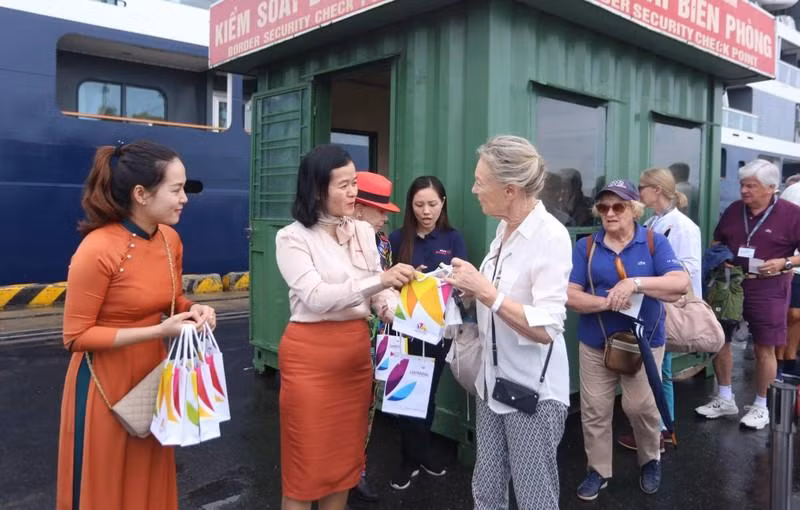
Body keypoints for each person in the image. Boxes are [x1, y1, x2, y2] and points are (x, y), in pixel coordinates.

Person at [56, 140, 216, 510]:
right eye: (176, 190)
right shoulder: (97, 249)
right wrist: (161, 331)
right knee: (106, 487)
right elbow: (76, 336)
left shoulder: (169, 240)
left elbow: (173, 299)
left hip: (154, 378)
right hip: (102, 385)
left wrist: (196, 309)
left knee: (148, 478)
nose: (184, 199)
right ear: (141, 194)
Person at [275, 145, 415, 510]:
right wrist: (381, 281)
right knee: (305, 467)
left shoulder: (364, 233)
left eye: (354, 183)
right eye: (343, 185)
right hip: (311, 358)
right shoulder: (292, 237)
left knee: (344, 464)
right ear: (317, 189)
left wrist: (409, 310)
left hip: (354, 358)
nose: (353, 192)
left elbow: (378, 299)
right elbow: (317, 297)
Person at [446, 135, 572, 509]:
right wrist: (468, 292)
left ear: (510, 189)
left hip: (532, 392)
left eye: (480, 182)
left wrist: (485, 292)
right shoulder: (504, 230)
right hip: (492, 383)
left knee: (535, 499)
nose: (473, 190)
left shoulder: (550, 237)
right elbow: (495, 294)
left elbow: (547, 328)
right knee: (487, 490)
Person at [567, 179, 688, 500]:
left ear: (634, 210)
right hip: (597, 341)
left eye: (618, 206)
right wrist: (608, 301)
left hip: (644, 343)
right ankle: (598, 470)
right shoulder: (587, 247)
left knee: (641, 407)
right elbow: (571, 296)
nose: (610, 213)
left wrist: (634, 284)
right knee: (594, 410)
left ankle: (650, 459)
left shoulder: (652, 243)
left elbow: (679, 283)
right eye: (604, 207)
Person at [696, 159, 800, 429]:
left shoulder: (791, 214)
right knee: (721, 339)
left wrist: (785, 262)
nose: (743, 190)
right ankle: (725, 397)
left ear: (770, 188)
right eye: (742, 185)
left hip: (769, 286)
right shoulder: (733, 210)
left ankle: (761, 405)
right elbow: (717, 240)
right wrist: (722, 256)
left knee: (764, 346)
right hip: (731, 285)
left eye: (750, 186)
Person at [388, 175, 467, 490]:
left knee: (427, 396)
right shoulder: (397, 239)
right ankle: (411, 460)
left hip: (437, 334)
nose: (426, 211)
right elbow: (384, 284)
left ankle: (418, 455)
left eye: (432, 204)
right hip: (403, 332)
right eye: (419, 204)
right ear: (410, 206)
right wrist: (407, 281)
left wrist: (444, 281)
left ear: (442, 203)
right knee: (406, 399)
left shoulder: (453, 239)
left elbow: (463, 282)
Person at [616, 168, 702, 451]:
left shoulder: (683, 227)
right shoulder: (654, 221)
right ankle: (659, 428)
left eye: (642, 187)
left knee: (660, 369)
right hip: (652, 304)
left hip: (667, 305)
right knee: (655, 367)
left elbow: (687, 270)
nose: (638, 192)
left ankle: (662, 430)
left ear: (656, 190)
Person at [350, 170, 401, 503]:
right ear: (356, 208)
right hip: (348, 334)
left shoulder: (382, 242)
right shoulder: (336, 242)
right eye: (378, 210)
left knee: (367, 406)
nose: (385, 217)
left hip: (378, 336)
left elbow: (387, 287)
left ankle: (358, 473)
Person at [778, 180, 800, 378]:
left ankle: (790, 358)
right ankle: (778, 359)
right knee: (791, 313)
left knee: (797, 315)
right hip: (791, 263)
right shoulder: (794, 191)